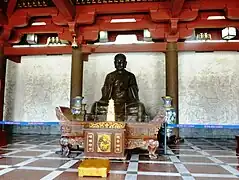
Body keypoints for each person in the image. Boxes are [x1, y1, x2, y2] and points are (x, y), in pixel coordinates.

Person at [91, 53, 147, 122]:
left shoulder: (130, 76)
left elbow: (134, 91)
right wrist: (109, 86)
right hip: (111, 103)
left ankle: (139, 127)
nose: (120, 64)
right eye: (118, 62)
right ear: (114, 63)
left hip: (127, 103)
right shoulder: (110, 76)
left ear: (125, 63)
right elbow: (105, 93)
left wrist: (131, 93)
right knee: (96, 106)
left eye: (122, 62)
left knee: (140, 107)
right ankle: (95, 125)